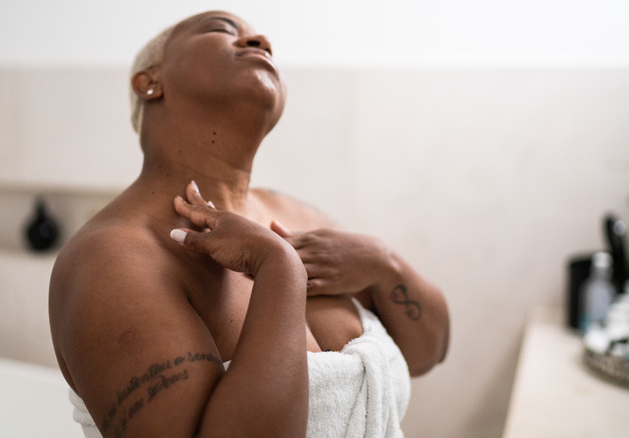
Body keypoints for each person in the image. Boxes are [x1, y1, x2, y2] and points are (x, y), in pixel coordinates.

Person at [49, 10, 449, 438]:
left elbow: (428, 351)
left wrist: (384, 262)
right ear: (150, 81)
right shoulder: (114, 260)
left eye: (264, 40)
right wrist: (280, 270)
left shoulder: (299, 217)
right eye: (223, 29)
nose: (260, 41)